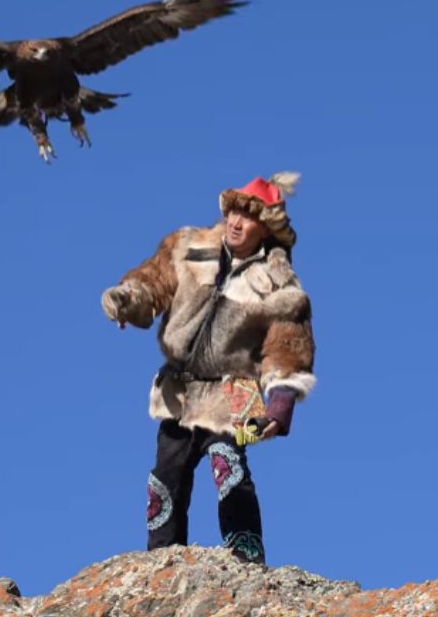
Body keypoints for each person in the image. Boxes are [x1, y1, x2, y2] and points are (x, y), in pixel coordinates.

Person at [101, 172, 317, 564]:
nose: (235, 221)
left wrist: (281, 401)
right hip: (180, 393)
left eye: (247, 216)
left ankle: (247, 562)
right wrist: (127, 298)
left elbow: (287, 347)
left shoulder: (278, 282)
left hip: (234, 395)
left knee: (228, 468)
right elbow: (152, 283)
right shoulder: (190, 247)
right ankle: (161, 564)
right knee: (166, 479)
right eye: (233, 210)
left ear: (265, 227)